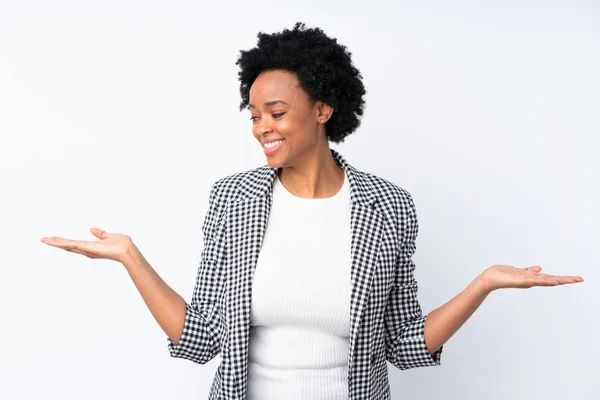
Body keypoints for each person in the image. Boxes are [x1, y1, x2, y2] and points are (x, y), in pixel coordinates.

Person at [40, 22, 584, 400]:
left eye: (276, 111)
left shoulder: (388, 207)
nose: (262, 127)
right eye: (253, 115)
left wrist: (482, 284)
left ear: (323, 109)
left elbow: (403, 346)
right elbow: (201, 339)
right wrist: (132, 258)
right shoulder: (232, 200)